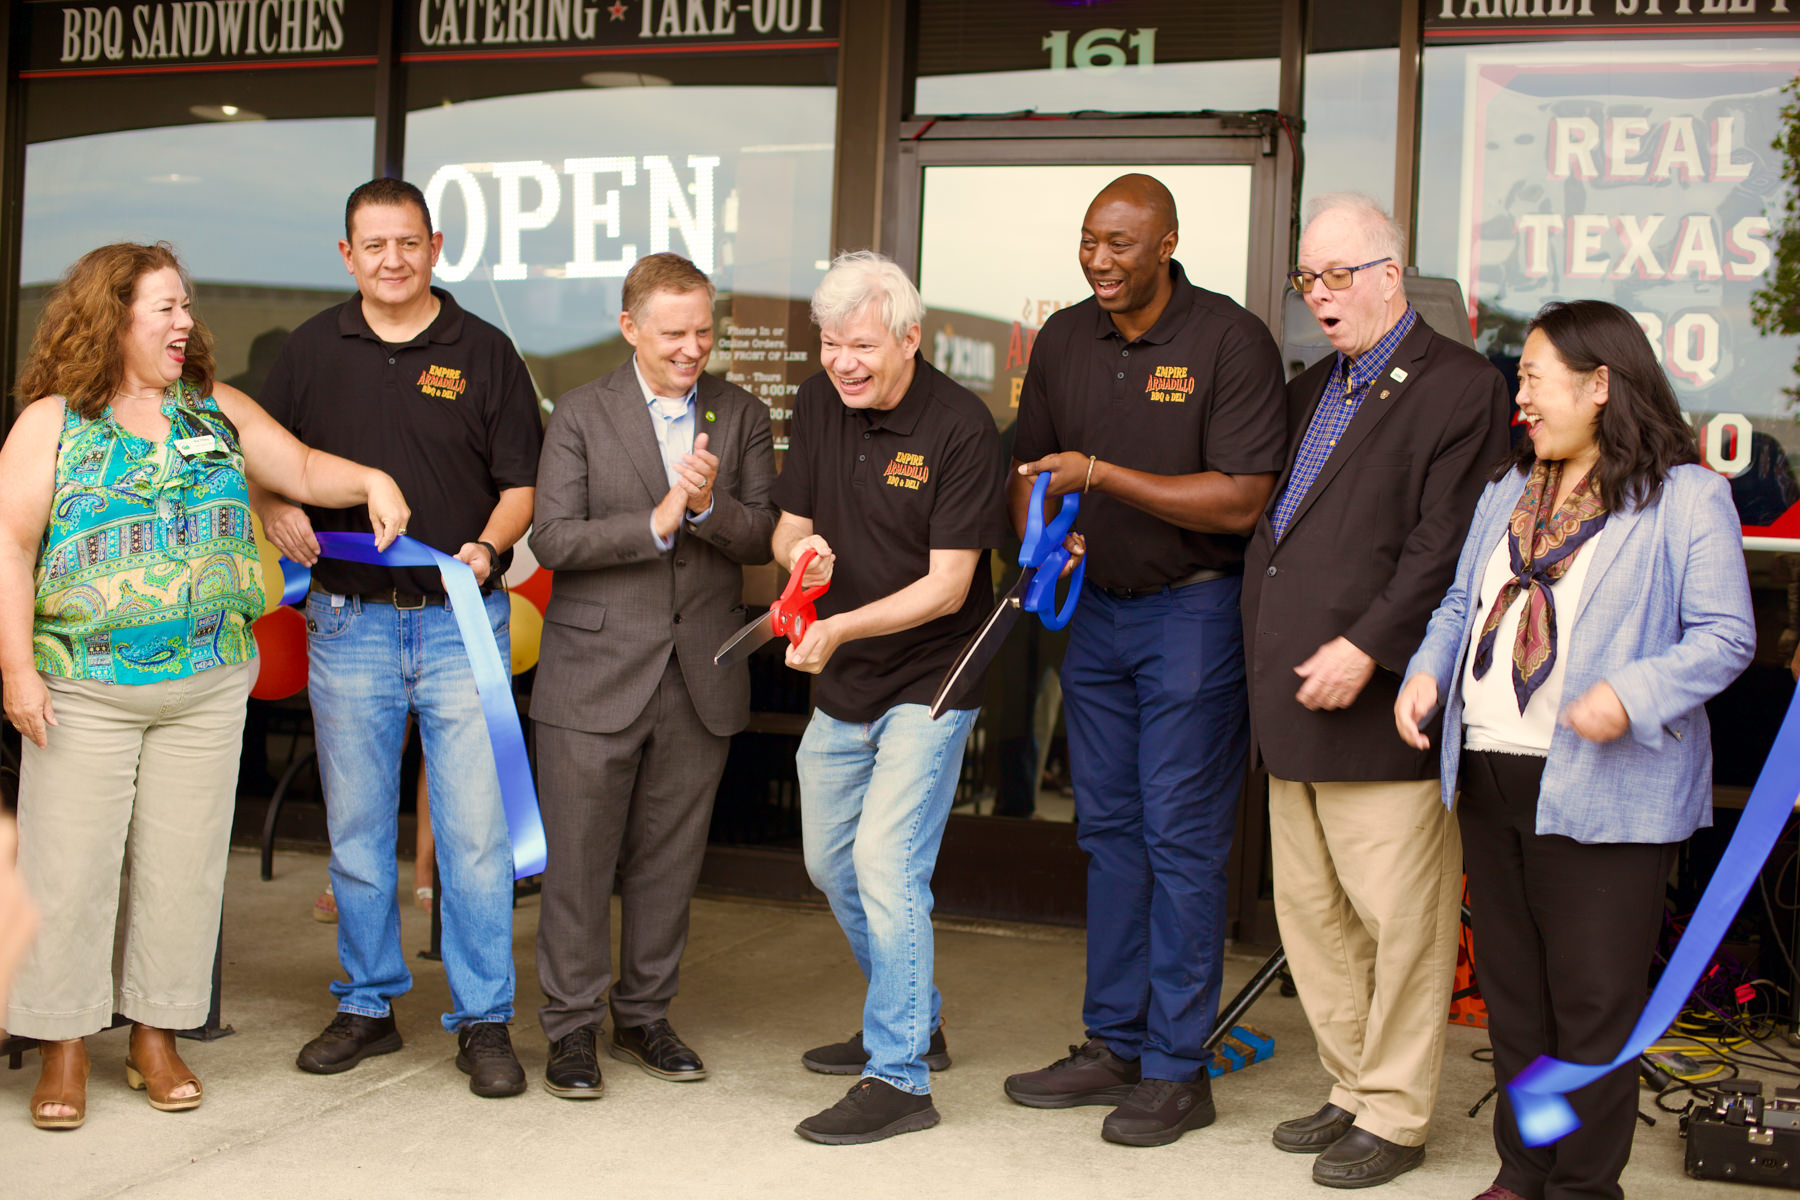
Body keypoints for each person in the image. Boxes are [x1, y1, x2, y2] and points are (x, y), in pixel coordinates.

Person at [0, 241, 407, 1130]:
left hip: (208, 682)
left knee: (181, 874)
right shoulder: (53, 422)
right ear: (114, 317)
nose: (186, 323)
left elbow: (297, 468)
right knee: (69, 875)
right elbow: (11, 546)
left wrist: (369, 477)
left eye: (186, 308)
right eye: (167, 308)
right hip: (85, 684)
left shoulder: (212, 409)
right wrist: (16, 668)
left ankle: (156, 1034)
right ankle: (63, 1046)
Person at [1397, 299, 1755, 1200]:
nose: (1520, 395)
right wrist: (1426, 675)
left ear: (1601, 385)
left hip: (1604, 788)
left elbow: (1725, 636)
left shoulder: (1685, 496)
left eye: (1534, 377)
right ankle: (1527, 1168)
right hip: (1489, 772)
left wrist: (1628, 696)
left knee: (1591, 1012)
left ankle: (1585, 1187)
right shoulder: (1504, 489)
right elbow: (1456, 608)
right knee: (1516, 1005)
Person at [1003, 173, 1287, 1147]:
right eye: (1089, 240)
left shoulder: (1227, 340)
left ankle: (1176, 1065)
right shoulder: (1067, 340)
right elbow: (1028, 466)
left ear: (1167, 242)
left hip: (1191, 615)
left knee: (1180, 838)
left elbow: (1245, 499)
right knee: (1110, 834)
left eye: (1120, 243)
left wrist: (1102, 476)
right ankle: (1113, 1043)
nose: (1099, 259)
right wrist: (1049, 525)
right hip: (1099, 623)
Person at [1241, 193, 1512, 1187]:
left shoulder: (1460, 387)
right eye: (1307, 279)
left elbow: (1448, 546)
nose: (1319, 295)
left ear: (1392, 272)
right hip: (1290, 699)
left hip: (1379, 700)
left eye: (1337, 275)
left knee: (1400, 922)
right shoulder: (1315, 386)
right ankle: (1352, 1087)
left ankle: (1396, 1115)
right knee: (1314, 920)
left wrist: (1369, 646)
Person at [254, 178, 544, 1098]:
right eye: (373, 245)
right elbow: (263, 463)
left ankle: (484, 1021)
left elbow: (521, 485)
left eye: (408, 243)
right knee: (359, 833)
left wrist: (491, 547)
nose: (392, 259)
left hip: (463, 618)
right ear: (348, 255)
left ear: (436, 245)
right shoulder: (309, 351)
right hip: (348, 626)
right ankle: (367, 1005)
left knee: (472, 839)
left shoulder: (486, 351)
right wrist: (275, 509)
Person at [529, 252, 775, 1098]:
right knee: (580, 865)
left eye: (705, 330)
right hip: (592, 674)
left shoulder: (743, 413)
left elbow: (762, 536)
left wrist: (707, 511)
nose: (692, 347)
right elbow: (554, 540)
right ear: (630, 327)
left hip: (698, 674)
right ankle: (570, 1029)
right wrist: (658, 520)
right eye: (674, 332)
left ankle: (644, 1017)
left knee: (669, 863)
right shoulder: (579, 415)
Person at [772, 251, 1004, 1144]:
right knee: (831, 863)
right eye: (830, 343)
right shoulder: (817, 401)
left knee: (886, 864)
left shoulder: (961, 426)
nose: (843, 362)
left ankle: (899, 1073)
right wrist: (804, 562)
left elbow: (950, 587)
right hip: (850, 676)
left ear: (910, 337)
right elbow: (793, 524)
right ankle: (918, 1016)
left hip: (932, 676)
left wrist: (838, 626)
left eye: (861, 344)